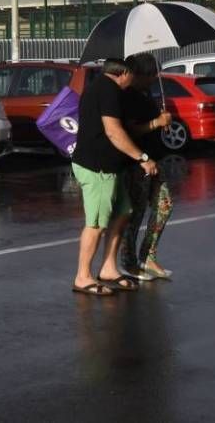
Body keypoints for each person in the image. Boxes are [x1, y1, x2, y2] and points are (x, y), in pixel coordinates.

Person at [71, 58, 159, 296]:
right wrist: (142, 158)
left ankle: (109, 268)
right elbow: (113, 131)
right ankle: (83, 276)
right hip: (97, 167)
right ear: (123, 74)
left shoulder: (104, 88)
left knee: (123, 213)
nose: (133, 81)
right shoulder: (106, 90)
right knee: (97, 224)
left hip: (111, 168)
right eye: (131, 76)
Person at [121, 52, 175, 281]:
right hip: (138, 162)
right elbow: (131, 130)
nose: (155, 77)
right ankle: (129, 260)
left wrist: (162, 122)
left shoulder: (147, 92)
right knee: (136, 211)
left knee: (164, 205)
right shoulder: (129, 97)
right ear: (140, 74)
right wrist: (155, 122)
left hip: (155, 157)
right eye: (152, 73)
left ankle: (148, 255)